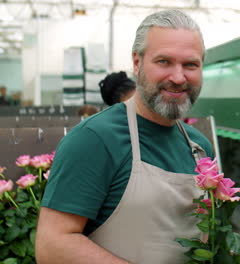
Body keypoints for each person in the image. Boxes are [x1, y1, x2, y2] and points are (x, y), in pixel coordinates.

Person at [36, 9, 213, 264]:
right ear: (137, 62)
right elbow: (53, 245)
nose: (178, 77)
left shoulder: (199, 147)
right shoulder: (94, 140)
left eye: (190, 65)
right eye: (163, 61)